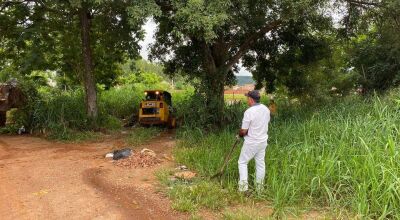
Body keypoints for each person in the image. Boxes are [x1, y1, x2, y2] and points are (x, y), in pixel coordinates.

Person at [238, 90, 270, 193]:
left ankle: (243, 189)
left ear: (251, 100)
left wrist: (239, 135)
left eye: (247, 98)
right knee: (260, 163)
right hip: (263, 141)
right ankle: (259, 189)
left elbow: (244, 131)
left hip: (252, 142)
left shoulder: (249, 112)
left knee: (242, 162)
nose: (247, 100)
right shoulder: (265, 109)